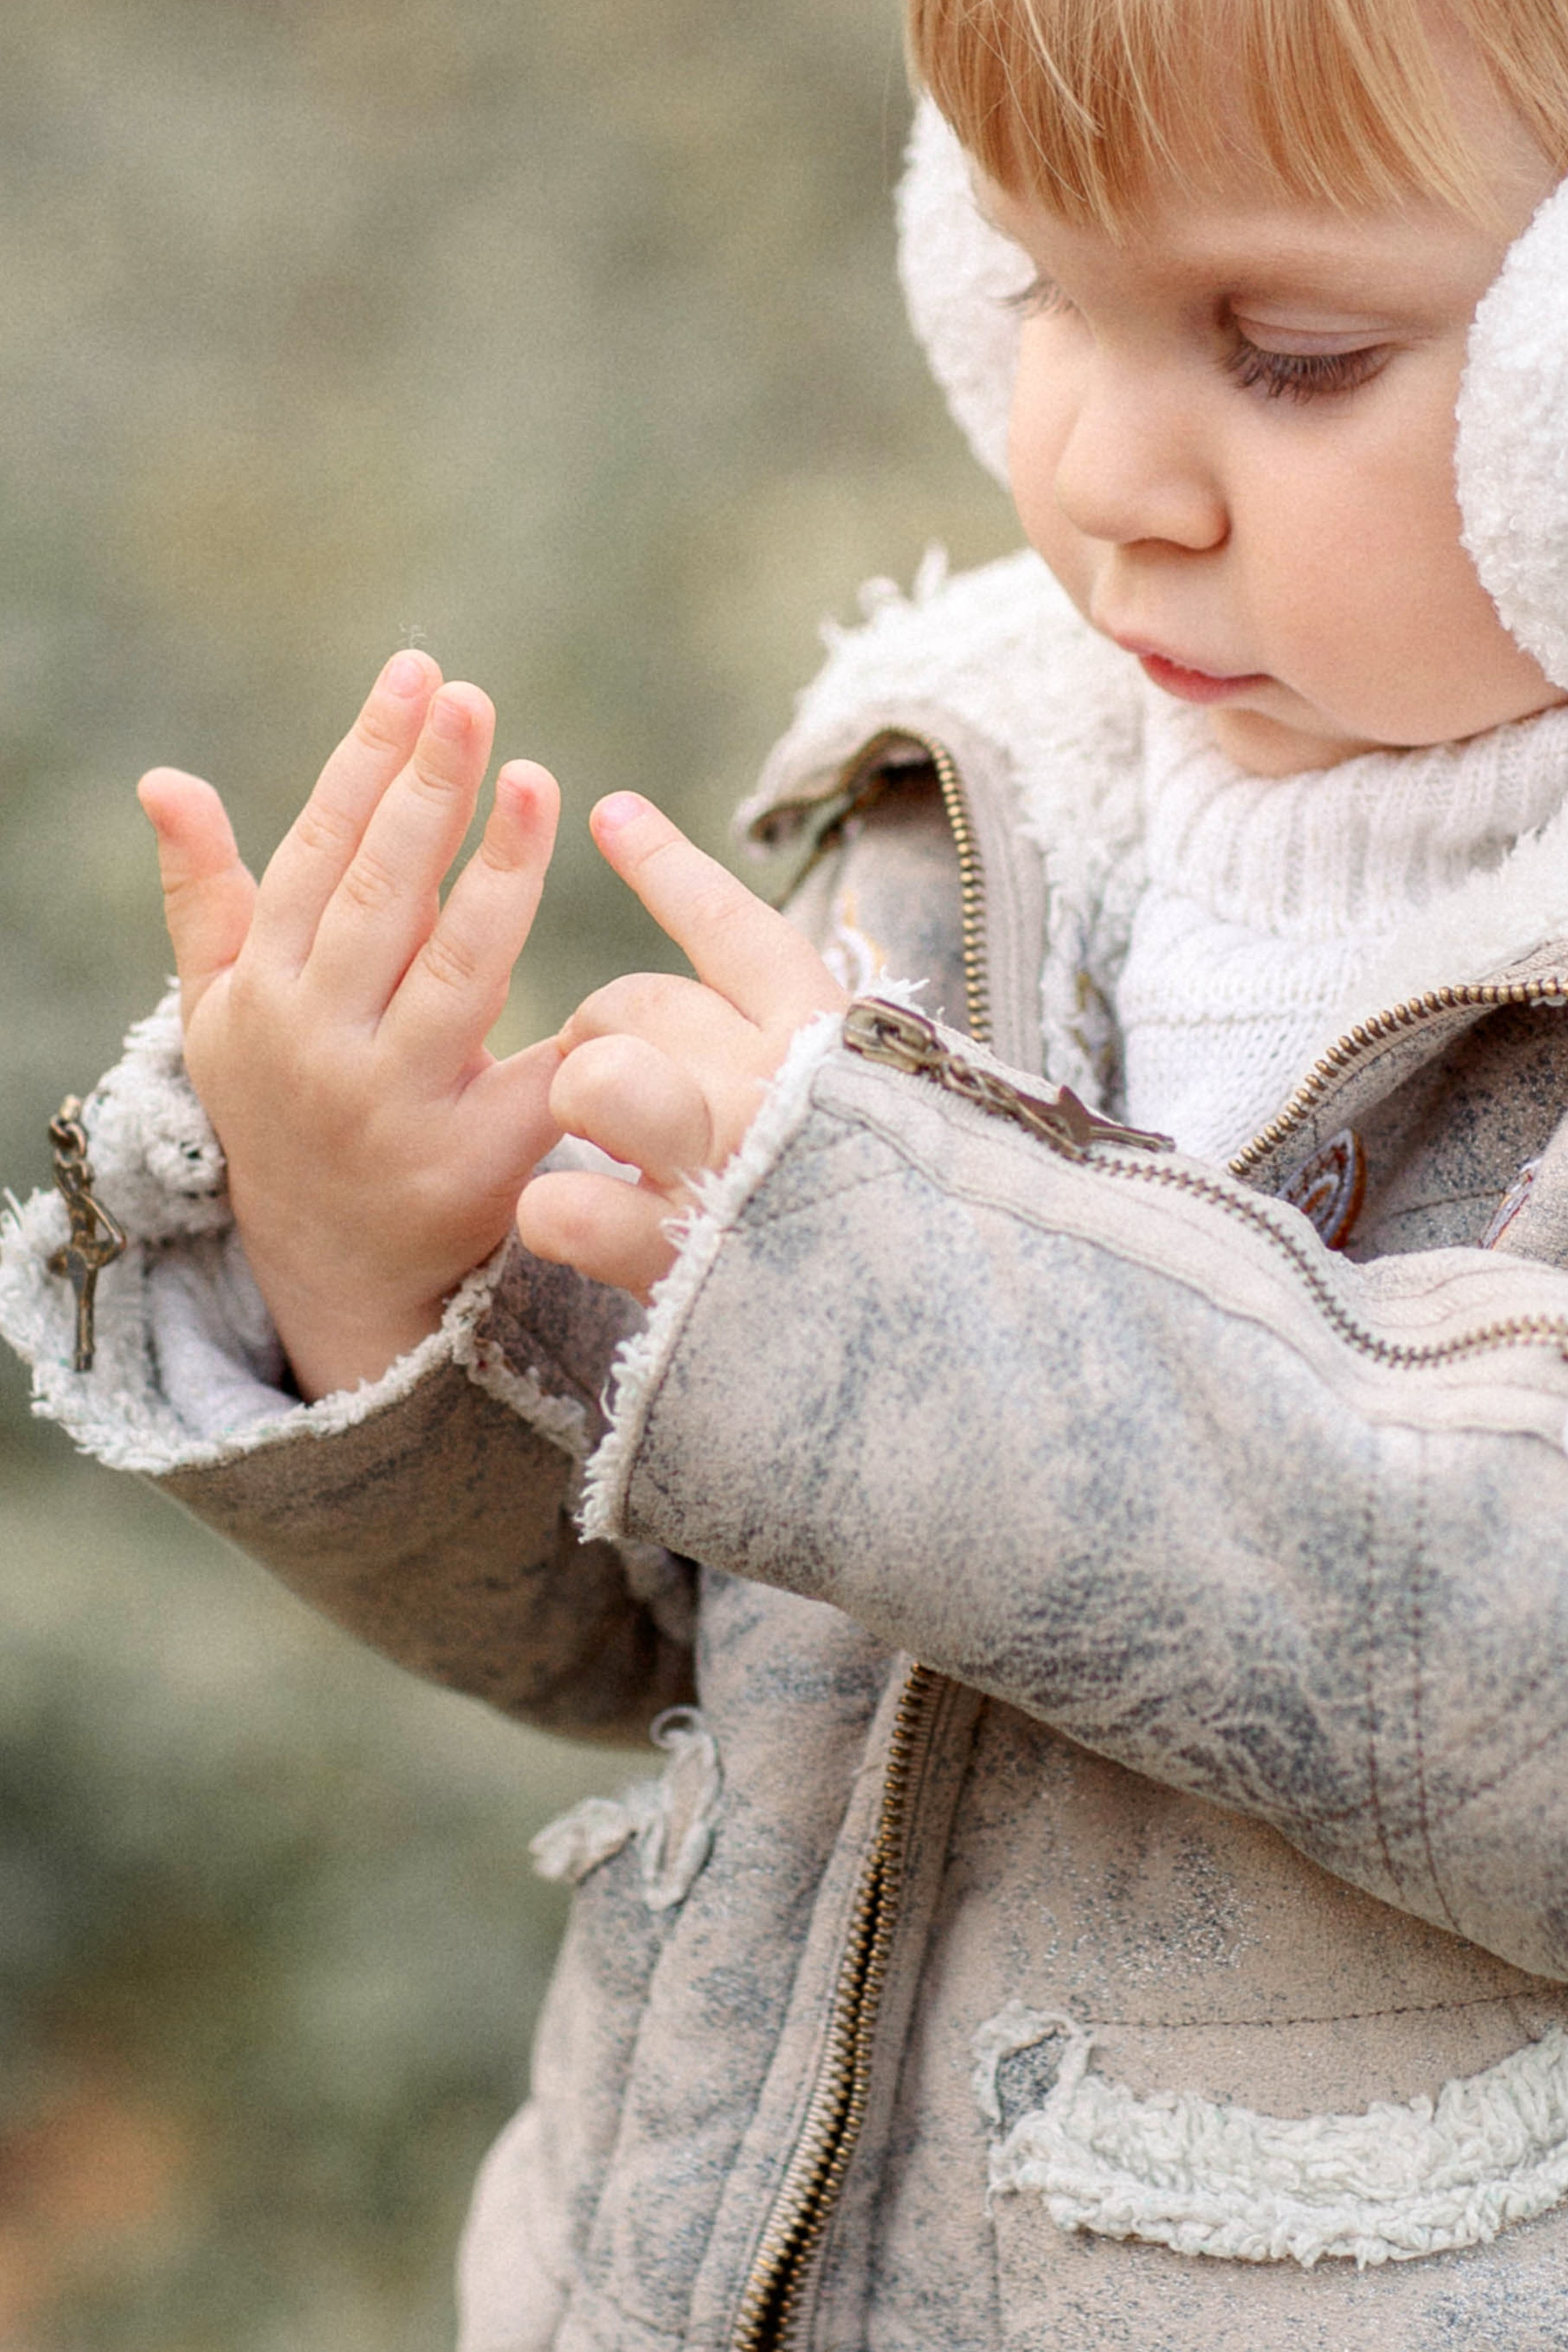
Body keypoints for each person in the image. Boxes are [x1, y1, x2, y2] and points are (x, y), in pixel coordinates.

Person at [10, 0, 1568, 2342]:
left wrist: (897, 1294)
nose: (1105, 472)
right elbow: (668, 1626)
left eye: (1297, 353)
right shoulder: (995, 815)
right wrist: (387, 1275)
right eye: (1039, 287)